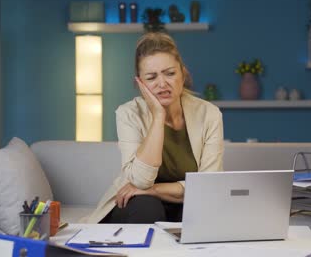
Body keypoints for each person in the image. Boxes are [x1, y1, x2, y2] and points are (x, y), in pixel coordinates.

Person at [82, 32, 223, 224]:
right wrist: (158, 116)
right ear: (139, 83)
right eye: (151, 77)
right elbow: (140, 181)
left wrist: (155, 190)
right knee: (148, 207)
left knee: (199, 210)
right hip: (138, 203)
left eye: (170, 73)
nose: (162, 83)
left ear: (183, 75)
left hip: (182, 201)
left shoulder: (209, 114)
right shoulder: (128, 114)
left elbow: (209, 185)